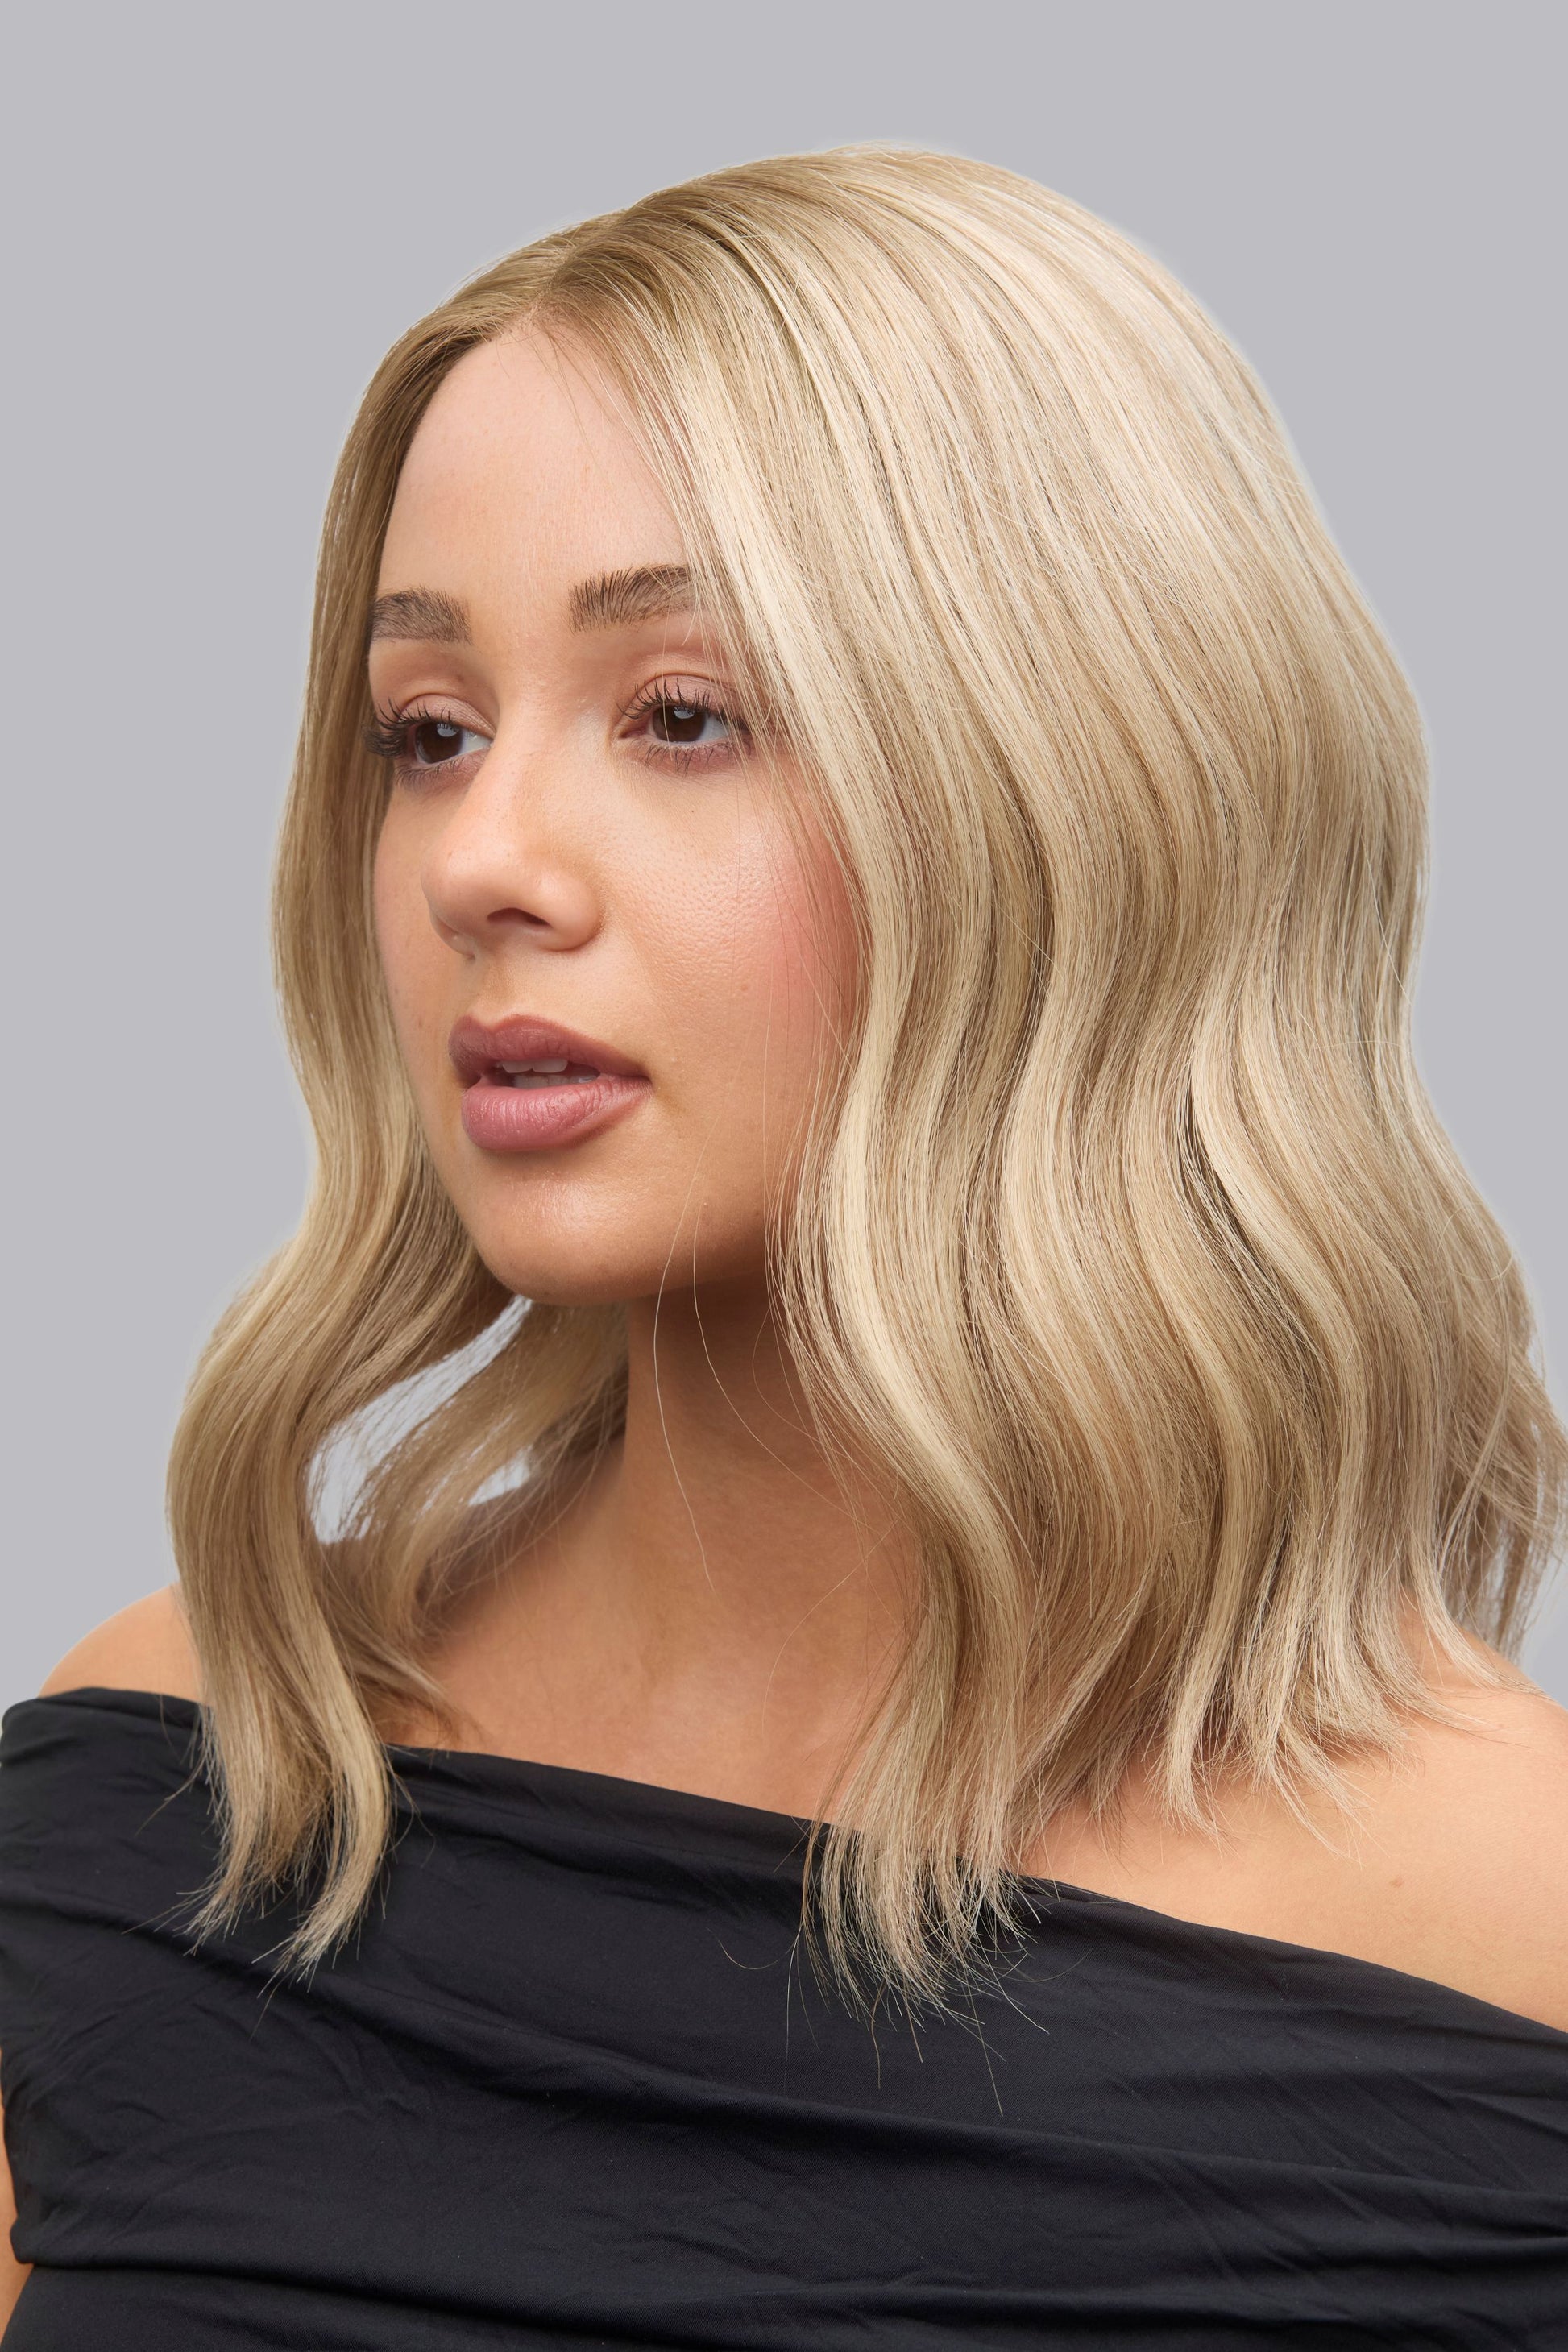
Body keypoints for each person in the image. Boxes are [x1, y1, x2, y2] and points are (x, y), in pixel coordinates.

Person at [1, 146, 1564, 2348]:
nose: (479, 860)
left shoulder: (1507, 1937)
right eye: (427, 733)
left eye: (683, 715)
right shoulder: (157, 1788)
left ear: (1088, 796)